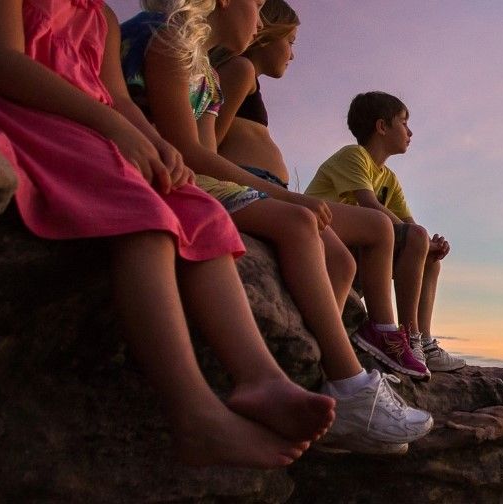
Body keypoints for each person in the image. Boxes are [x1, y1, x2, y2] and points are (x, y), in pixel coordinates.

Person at [0, 0, 332, 468]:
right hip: (9, 107)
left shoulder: (100, 17)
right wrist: (111, 126)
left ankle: (261, 377)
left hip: (88, 126)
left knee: (199, 210)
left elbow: (118, 98)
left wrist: (156, 145)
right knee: (144, 219)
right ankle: (193, 411)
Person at [119, 0, 430, 453]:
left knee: (340, 260)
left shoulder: (205, 73)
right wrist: (286, 196)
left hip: (207, 177)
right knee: (301, 222)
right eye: (259, 6)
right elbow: (194, 153)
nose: (262, 20)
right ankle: (352, 387)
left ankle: (311, 390)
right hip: (176, 175)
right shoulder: (170, 42)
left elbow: (207, 152)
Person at [305, 91, 465, 372]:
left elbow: (409, 225)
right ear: (382, 127)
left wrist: (431, 245)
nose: (410, 131)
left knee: (428, 256)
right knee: (416, 238)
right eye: (403, 122)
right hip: (329, 244)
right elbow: (369, 204)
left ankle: (424, 343)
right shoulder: (353, 156)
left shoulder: (389, 178)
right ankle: (406, 337)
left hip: (365, 251)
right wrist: (419, 238)